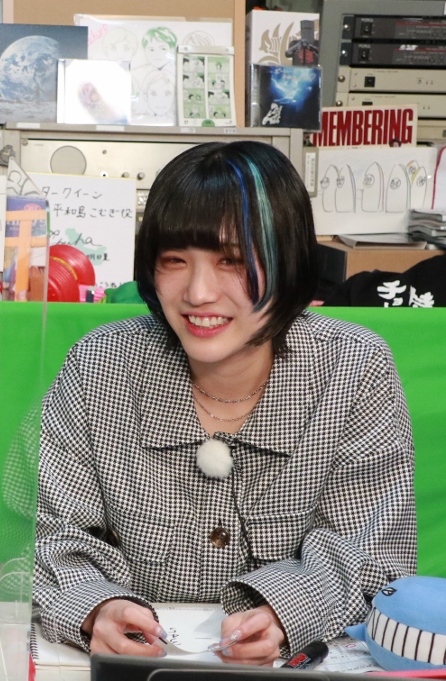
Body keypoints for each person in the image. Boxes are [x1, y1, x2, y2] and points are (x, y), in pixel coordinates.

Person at [34, 141, 416, 666]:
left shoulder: (353, 367)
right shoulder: (101, 364)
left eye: (231, 260)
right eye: (174, 260)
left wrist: (285, 613)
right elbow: (45, 535)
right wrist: (94, 608)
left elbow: (373, 554)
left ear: (289, 261)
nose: (198, 293)